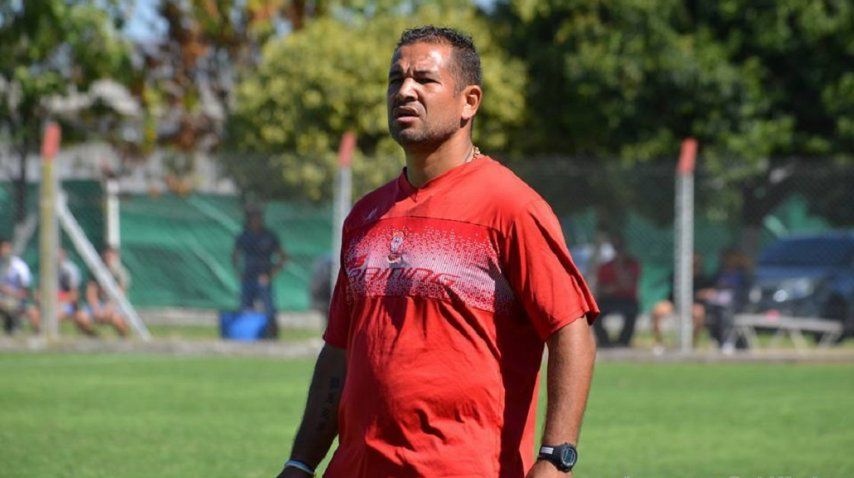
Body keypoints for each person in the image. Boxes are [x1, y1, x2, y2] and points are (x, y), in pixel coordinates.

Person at [276, 26, 599, 478]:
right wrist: (301, 462)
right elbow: (339, 352)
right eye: (395, 80)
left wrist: (555, 459)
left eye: (425, 80)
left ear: (469, 101)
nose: (405, 91)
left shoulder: (511, 207)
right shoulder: (367, 216)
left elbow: (571, 331)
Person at [232, 209, 288, 339]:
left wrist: (271, 275)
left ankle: (272, 336)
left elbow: (283, 257)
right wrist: (238, 273)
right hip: (247, 278)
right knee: (245, 309)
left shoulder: (269, 236)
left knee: (269, 310)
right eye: (254, 218)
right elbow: (235, 255)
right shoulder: (244, 236)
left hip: (263, 279)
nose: (256, 221)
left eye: (258, 217)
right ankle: (245, 336)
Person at [650, 253, 715, 353]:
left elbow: (709, 292)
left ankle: (693, 344)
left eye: (695, 264)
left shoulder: (703, 278)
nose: (693, 266)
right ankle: (659, 343)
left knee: (699, 313)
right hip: (674, 302)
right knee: (657, 311)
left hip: (692, 303)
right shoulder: (677, 276)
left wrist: (702, 293)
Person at [27, 248, 97, 336]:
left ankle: (51, 337)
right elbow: (38, 292)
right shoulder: (46, 270)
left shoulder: (70, 270)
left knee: (54, 314)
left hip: (66, 305)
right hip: (49, 303)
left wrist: (57, 300)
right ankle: (42, 337)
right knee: (32, 312)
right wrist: (41, 299)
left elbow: (74, 295)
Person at [592, 235, 641, 348]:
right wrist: (611, 288)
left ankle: (623, 342)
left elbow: (628, 285)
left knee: (632, 311)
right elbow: (601, 288)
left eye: (620, 248)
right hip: (609, 298)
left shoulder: (632, 264)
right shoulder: (605, 267)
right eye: (616, 248)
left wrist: (619, 266)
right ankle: (605, 342)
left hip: (627, 299)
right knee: (595, 313)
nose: (619, 251)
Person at [705, 248, 752, 351]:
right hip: (718, 303)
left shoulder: (743, 274)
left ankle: (727, 341)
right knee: (713, 310)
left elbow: (745, 291)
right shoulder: (720, 273)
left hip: (737, 303)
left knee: (724, 312)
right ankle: (717, 339)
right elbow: (713, 286)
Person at [85, 247, 130, 337]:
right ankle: (95, 338)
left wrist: (109, 308)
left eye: (111, 256)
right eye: (106, 255)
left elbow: (120, 294)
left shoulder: (121, 273)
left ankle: (125, 339)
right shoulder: (96, 272)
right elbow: (91, 291)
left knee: (116, 319)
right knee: (80, 317)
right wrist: (95, 307)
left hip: (115, 305)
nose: (108, 258)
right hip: (99, 304)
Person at [0, 238, 32, 334]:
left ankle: (14, 328)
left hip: (16, 300)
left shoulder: (19, 266)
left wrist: (12, 293)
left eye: (8, 248)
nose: (6, 251)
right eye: (3, 248)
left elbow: (26, 290)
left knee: (10, 304)